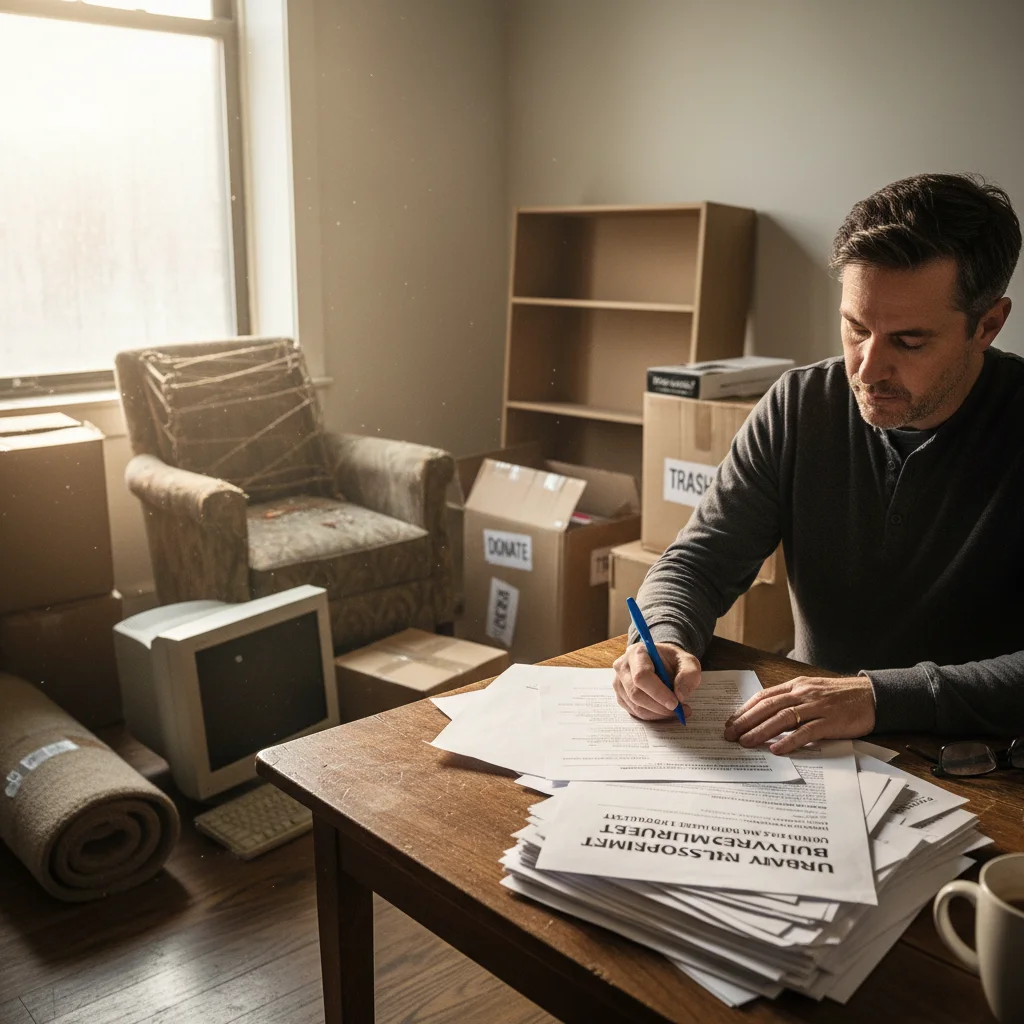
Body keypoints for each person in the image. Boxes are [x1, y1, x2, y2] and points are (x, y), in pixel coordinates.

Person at [613, 172, 1023, 754]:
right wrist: (662, 638)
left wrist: (878, 697)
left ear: (988, 324)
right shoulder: (799, 405)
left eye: (908, 342)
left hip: (980, 763)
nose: (867, 368)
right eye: (856, 328)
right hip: (810, 749)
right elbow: (699, 562)